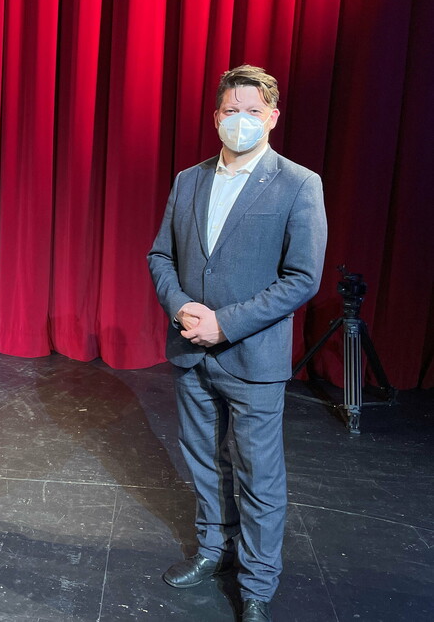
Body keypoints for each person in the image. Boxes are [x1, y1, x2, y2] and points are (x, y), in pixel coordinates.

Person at [147, 65, 328, 621]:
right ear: (216, 116)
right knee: (204, 463)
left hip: (252, 359)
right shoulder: (188, 180)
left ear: (272, 118)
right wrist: (181, 308)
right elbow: (161, 256)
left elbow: (302, 278)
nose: (241, 121)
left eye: (253, 111)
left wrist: (223, 324)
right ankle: (213, 551)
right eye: (232, 111)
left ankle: (256, 583)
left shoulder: (299, 183)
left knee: (258, 475)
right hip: (189, 351)